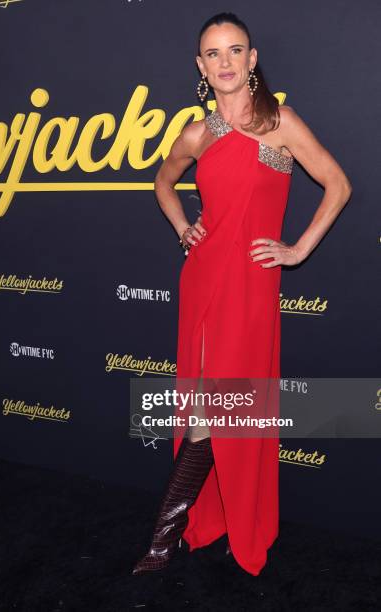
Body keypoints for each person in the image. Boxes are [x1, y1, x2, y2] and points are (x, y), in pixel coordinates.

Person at [132, 12, 352, 577]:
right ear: (200, 67)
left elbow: (337, 182)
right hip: (204, 277)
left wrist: (298, 249)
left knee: (226, 407)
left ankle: (167, 536)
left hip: (252, 285)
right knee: (207, 405)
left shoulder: (279, 122)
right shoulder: (199, 133)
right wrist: (184, 225)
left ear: (252, 60)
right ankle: (171, 534)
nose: (224, 61)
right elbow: (163, 180)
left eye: (235, 50)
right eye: (213, 53)